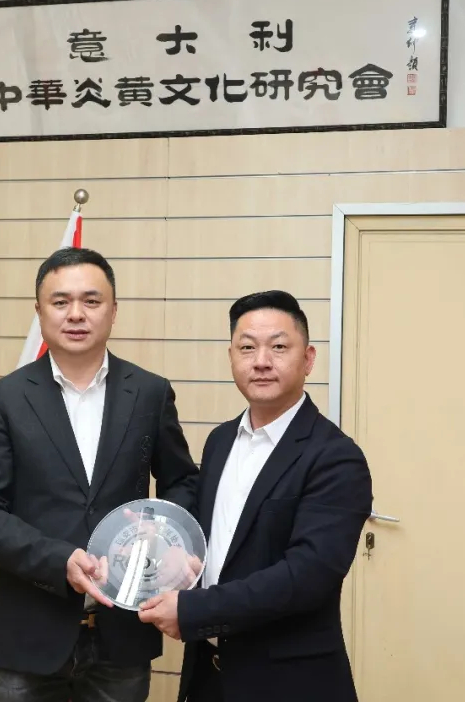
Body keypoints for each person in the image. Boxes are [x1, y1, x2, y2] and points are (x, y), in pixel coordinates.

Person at [0, 247, 199, 702]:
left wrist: (163, 534)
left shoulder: (150, 393)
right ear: (39, 312)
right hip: (29, 631)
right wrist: (58, 560)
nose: (76, 314)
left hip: (123, 632)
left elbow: (182, 482)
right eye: (60, 301)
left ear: (113, 311)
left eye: (91, 300)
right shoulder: (3, 400)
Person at [138, 290, 373, 702]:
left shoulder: (336, 457)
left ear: (309, 359)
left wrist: (194, 611)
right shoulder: (220, 440)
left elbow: (307, 577)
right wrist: (163, 550)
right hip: (208, 678)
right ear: (231, 357)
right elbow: (216, 546)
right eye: (247, 347)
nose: (261, 361)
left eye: (278, 347)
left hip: (288, 683)